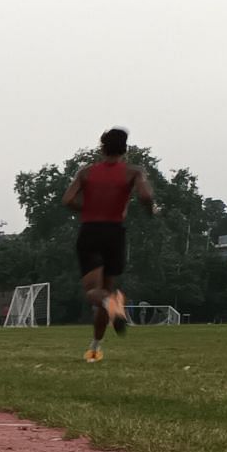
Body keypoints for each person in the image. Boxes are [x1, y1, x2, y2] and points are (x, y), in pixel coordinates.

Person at [63, 128, 158, 363]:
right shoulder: (133, 172)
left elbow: (67, 200)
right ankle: (95, 348)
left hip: (91, 232)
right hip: (115, 234)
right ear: (125, 149)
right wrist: (151, 210)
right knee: (106, 288)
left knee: (95, 293)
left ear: (102, 147)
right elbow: (146, 196)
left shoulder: (86, 173)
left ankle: (110, 304)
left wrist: (86, 209)